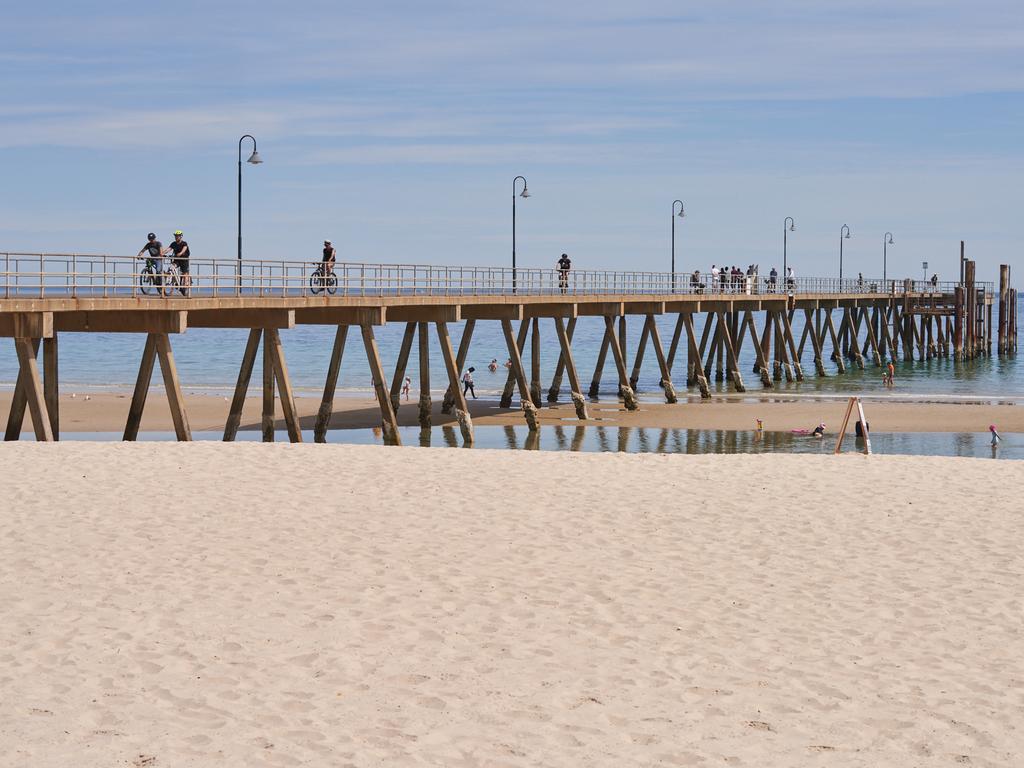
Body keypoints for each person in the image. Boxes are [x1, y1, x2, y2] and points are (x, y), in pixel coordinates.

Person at [167, 230, 191, 296]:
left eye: (178, 236)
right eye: (175, 236)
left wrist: (180, 253)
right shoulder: (173, 243)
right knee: (171, 267)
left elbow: (184, 249)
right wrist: (162, 253)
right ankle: (172, 280)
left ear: (181, 236)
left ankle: (185, 286)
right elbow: (169, 249)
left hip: (184, 259)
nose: (176, 237)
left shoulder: (184, 243)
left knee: (184, 273)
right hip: (177, 260)